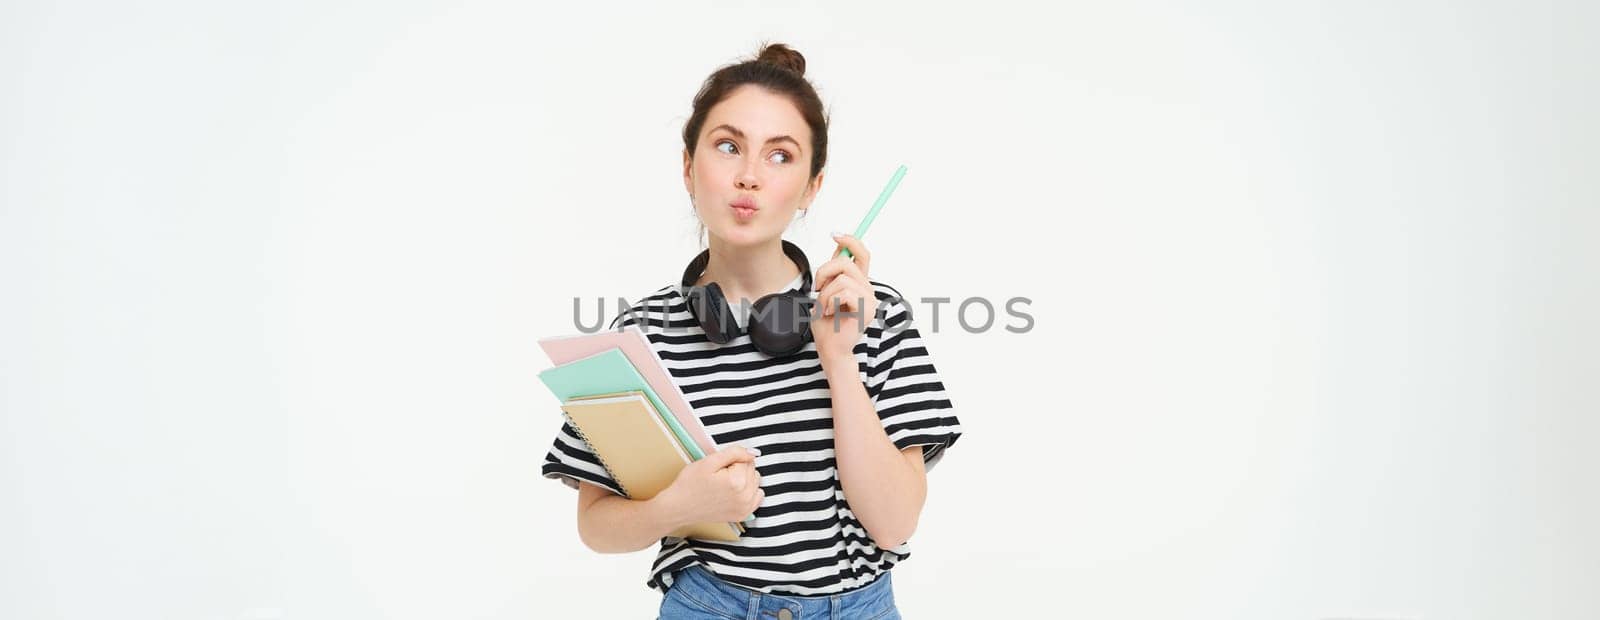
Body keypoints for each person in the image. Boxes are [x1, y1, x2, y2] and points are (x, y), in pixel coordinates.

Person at [541, 42, 963, 620]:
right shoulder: (640, 334)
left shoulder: (872, 312)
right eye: (728, 146)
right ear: (689, 168)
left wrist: (839, 360)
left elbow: (894, 525)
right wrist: (677, 506)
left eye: (780, 156)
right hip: (706, 605)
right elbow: (595, 524)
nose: (748, 176)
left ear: (812, 186)